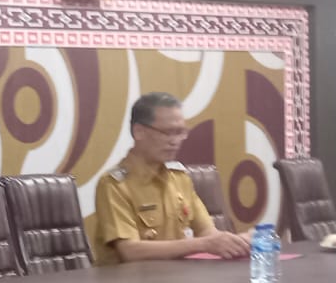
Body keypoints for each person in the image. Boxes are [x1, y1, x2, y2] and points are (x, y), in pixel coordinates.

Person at [92, 92, 252, 264]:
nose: (175, 141)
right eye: (168, 132)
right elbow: (130, 251)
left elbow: (207, 233)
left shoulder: (179, 178)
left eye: (180, 132)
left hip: (177, 276)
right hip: (130, 279)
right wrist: (202, 244)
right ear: (139, 131)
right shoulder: (114, 185)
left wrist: (238, 242)